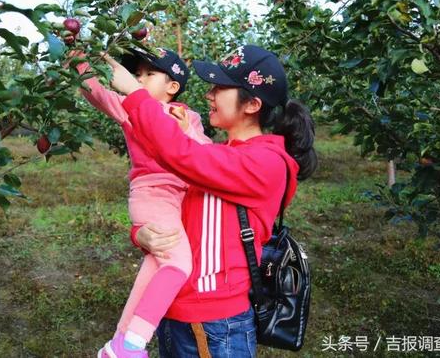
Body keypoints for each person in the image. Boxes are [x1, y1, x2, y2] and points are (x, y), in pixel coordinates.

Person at [105, 44, 317, 357]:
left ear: (252, 104)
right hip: (175, 311)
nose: (209, 94)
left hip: (215, 324)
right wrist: (141, 235)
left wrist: (137, 94)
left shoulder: (265, 164)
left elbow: (179, 154)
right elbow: (179, 213)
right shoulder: (221, 152)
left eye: (221, 88)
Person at [77, 47, 212, 358]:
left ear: (173, 86)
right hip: (153, 196)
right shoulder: (131, 107)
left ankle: (119, 343)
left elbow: (207, 153)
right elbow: (96, 92)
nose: (139, 79)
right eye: (137, 74)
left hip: (177, 199)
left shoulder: (189, 116)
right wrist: (78, 59)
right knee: (178, 265)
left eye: (149, 74)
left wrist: (185, 130)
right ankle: (134, 343)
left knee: (156, 265)